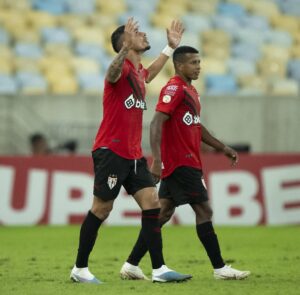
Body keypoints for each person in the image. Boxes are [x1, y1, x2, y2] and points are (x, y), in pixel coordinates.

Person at [70, 18, 192, 284]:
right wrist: (124, 49)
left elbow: (151, 72)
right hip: (111, 151)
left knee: (152, 204)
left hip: (134, 154)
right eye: (137, 33)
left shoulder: (137, 73)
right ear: (125, 43)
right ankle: (79, 269)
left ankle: (158, 269)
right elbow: (111, 74)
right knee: (102, 209)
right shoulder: (122, 69)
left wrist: (170, 48)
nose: (144, 34)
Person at [120, 46, 251, 280]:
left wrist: (222, 147)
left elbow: (197, 127)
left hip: (187, 161)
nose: (198, 66)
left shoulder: (190, 90)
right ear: (179, 65)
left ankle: (131, 264)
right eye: (193, 62)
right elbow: (156, 122)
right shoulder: (174, 88)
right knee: (204, 210)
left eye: (199, 62)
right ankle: (220, 268)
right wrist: (157, 160)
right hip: (181, 162)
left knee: (161, 214)